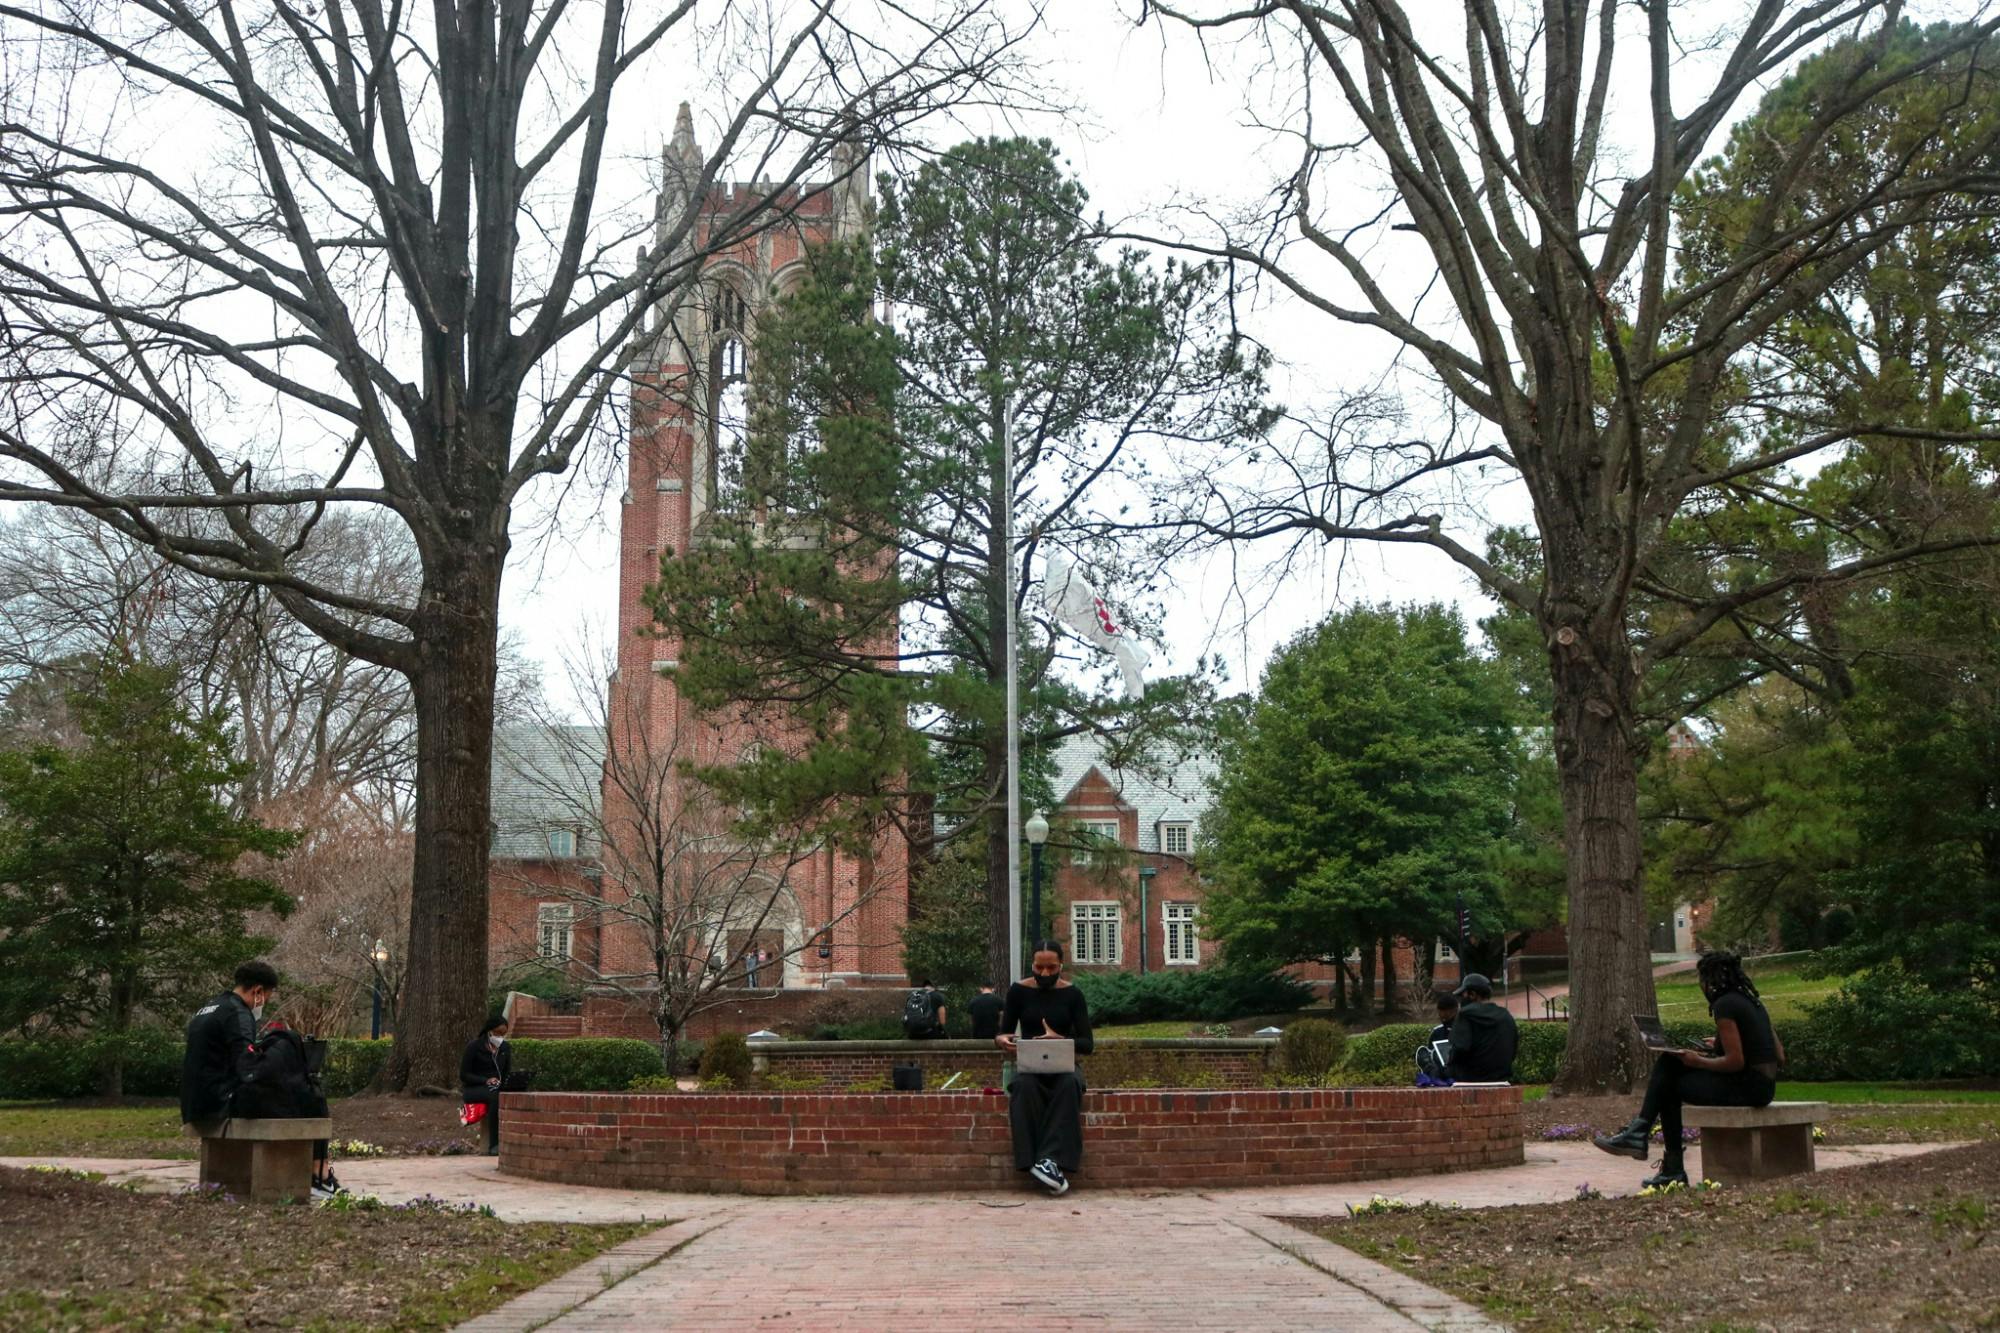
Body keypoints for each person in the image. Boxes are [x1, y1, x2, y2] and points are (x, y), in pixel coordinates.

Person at [1593, 951, 1786, 1187]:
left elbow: (1736, 1062)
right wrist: (1717, 1046)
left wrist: (1698, 1061)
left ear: (1709, 979)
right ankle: (1643, 1137)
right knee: (1671, 1067)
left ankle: (1658, 1152)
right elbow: (1779, 1055)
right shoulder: (1752, 1002)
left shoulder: (1724, 1005)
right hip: (1763, 1087)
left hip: (1747, 1088)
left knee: (1668, 1080)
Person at [181, 961, 341, 1197]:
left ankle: (319, 1172)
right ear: (257, 991)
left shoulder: (211, 1007)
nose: (264, 1002)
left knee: (300, 1092)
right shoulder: (238, 1013)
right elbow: (247, 1069)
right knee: (311, 1095)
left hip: (196, 1101)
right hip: (222, 1102)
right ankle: (320, 1174)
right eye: (266, 995)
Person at [995, 941, 1094, 1196]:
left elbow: (1087, 1043)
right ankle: (1037, 1162)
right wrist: (1002, 1040)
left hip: (1064, 1066)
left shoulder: (1073, 995)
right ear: (1032, 965)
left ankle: (1048, 1160)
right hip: (1030, 1066)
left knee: (1069, 1086)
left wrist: (1059, 1040)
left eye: (1051, 968)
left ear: (1061, 965)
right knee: (1023, 1088)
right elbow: (1004, 1031)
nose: (1045, 974)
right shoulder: (1018, 991)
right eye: (1040, 968)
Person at [1445, 973, 1518, 1082]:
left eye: (1462, 995)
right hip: (1502, 1077)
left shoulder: (1466, 1014)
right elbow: (1513, 1048)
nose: (1461, 1000)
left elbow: (1458, 1050)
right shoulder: (1506, 1015)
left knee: (1433, 1069)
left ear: (1472, 994)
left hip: (1470, 1078)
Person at [460, 1015, 512, 1155]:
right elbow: (464, 1075)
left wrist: (506, 1082)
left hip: (497, 1087)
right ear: (489, 1031)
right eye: (497, 1033)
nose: (500, 1037)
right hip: (474, 1088)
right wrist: (485, 1080)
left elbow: (507, 1072)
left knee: (511, 1095)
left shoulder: (505, 1048)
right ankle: (494, 1145)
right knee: (495, 1097)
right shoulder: (474, 1047)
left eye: (503, 1034)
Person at [1416, 990, 1460, 1082]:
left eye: (1447, 1013)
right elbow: (1432, 1054)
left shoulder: (1464, 1029)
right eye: (1440, 1013)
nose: (1442, 1016)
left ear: (1455, 1011)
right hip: (1441, 1073)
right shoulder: (1437, 1032)